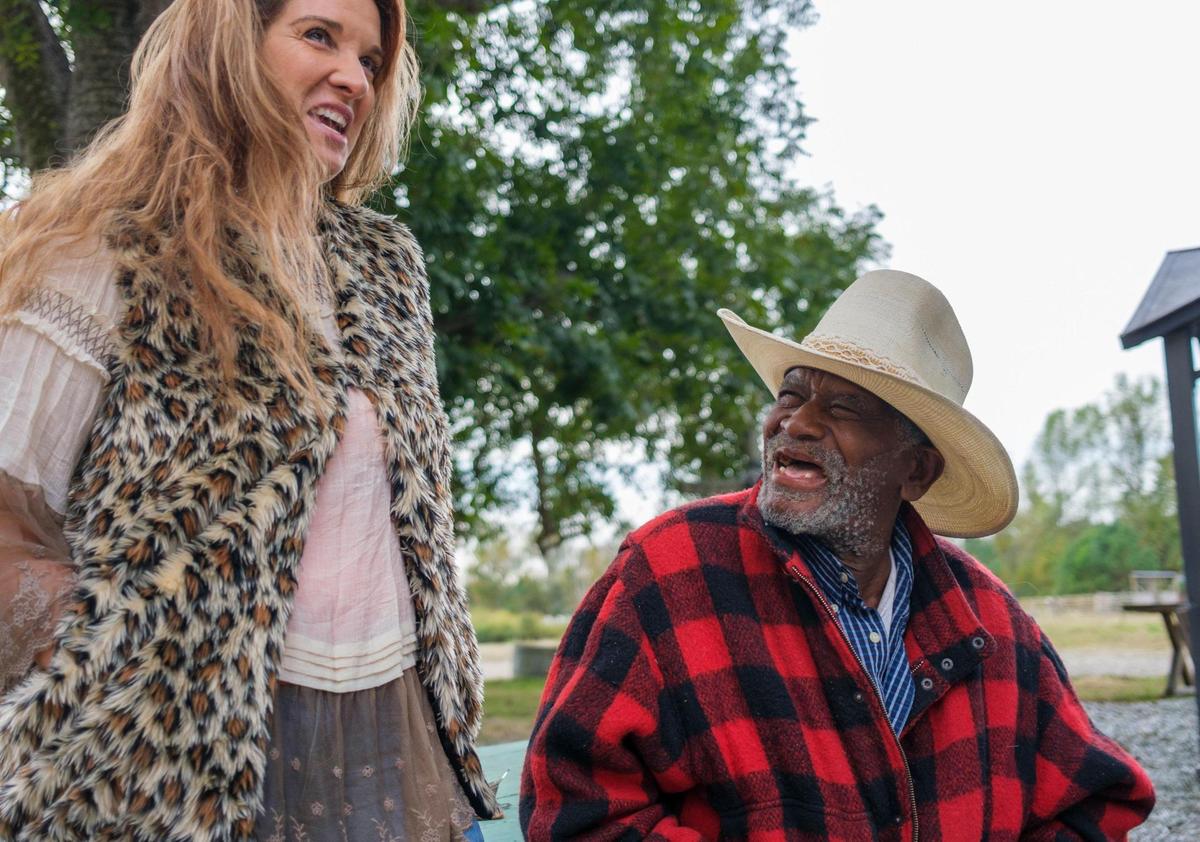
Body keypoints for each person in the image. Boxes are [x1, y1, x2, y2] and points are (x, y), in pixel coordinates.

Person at [0, 0, 500, 839]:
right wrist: (133, 657)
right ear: (229, 43)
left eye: (371, 61)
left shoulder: (388, 265)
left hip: (398, 748)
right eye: (319, 36)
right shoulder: (97, 240)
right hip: (167, 778)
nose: (354, 76)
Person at [520, 270, 1155, 840]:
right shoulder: (669, 570)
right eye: (791, 396)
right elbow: (575, 811)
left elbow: (1092, 802)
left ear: (917, 471)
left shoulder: (988, 618)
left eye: (845, 405)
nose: (795, 424)